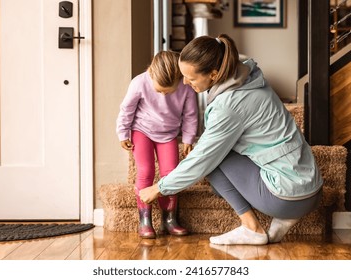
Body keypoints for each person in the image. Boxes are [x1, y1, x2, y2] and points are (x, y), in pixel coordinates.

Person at [139, 34, 323, 245]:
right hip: (312, 189)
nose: (185, 83)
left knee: (212, 159)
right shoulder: (249, 78)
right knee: (217, 152)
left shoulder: (229, 105)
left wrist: (158, 188)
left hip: (286, 197)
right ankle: (286, 215)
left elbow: (202, 159)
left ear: (214, 74)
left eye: (191, 78)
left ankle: (251, 228)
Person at [116, 50, 198, 239]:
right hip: (141, 131)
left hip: (168, 134)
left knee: (171, 174)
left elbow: (191, 114)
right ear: (151, 73)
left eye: (168, 92)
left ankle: (169, 220)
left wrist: (188, 138)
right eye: (159, 91)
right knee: (146, 172)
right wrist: (123, 133)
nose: (163, 95)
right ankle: (145, 221)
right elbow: (126, 110)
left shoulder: (186, 87)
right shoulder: (139, 82)